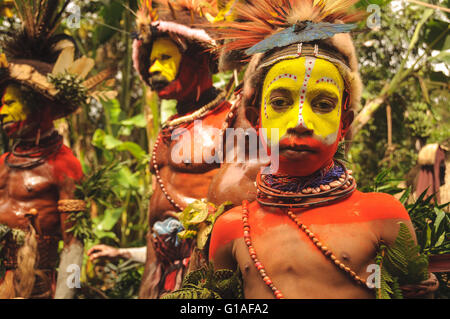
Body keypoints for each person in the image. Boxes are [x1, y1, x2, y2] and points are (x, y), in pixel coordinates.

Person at [208, 0, 437, 298]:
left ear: (344, 122)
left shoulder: (383, 215)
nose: (301, 122)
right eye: (280, 103)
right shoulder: (231, 229)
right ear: (255, 119)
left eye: (323, 104)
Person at [0, 0, 113, 299]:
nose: (1, 110)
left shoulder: (64, 166)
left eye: (10, 103)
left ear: (37, 105)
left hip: (39, 287)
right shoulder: (2, 162)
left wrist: (65, 294)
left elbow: (74, 246)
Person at [132, 0, 235, 298]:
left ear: (199, 60)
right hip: (162, 271)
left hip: (207, 275)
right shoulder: (169, 129)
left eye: (165, 58)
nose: (154, 68)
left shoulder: (232, 122)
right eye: (151, 60)